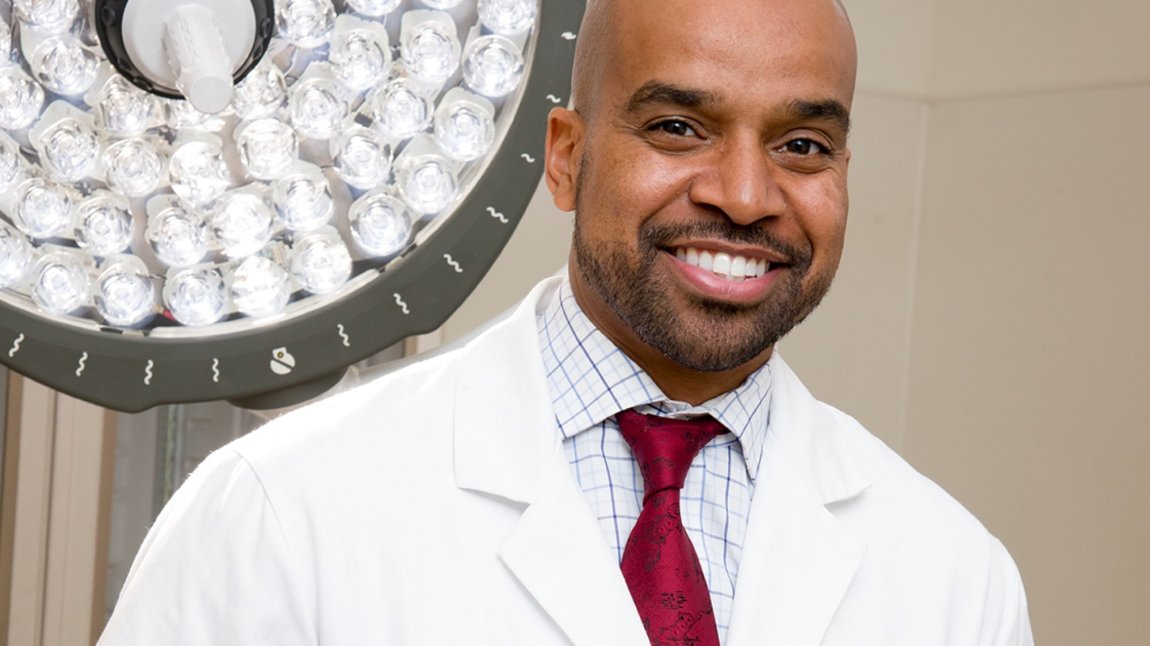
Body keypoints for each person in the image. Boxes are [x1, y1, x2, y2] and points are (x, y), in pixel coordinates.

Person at [99, 0, 1034, 644]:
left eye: (801, 146)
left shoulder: (951, 575)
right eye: (678, 127)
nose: (747, 198)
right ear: (566, 158)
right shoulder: (278, 511)